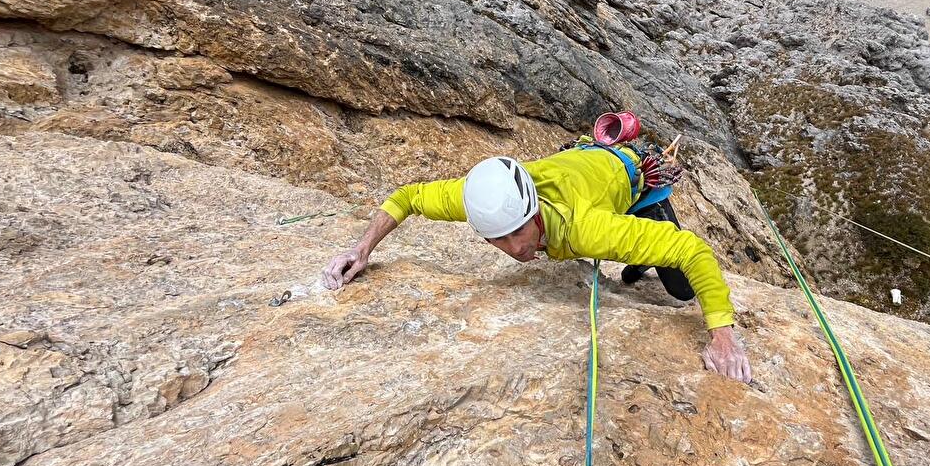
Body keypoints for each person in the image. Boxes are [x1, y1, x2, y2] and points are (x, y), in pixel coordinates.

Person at [322, 146, 753, 382]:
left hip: (623, 178)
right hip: (580, 164)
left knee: (680, 288)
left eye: (519, 232)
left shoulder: (587, 229)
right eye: (498, 239)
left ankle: (645, 232)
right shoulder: (481, 198)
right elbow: (408, 196)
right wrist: (362, 250)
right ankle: (638, 263)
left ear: (534, 212)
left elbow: (693, 250)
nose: (513, 249)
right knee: (641, 263)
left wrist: (723, 337)